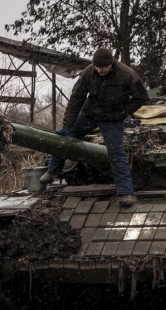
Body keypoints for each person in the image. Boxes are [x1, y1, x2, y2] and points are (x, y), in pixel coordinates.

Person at [41, 48, 148, 207]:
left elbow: (142, 97)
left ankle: (126, 192)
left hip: (112, 117)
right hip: (89, 113)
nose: (100, 70)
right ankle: (52, 170)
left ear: (111, 63)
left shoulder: (127, 74)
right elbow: (76, 98)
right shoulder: (88, 73)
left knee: (116, 152)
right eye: (97, 66)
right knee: (65, 137)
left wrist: (122, 112)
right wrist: (67, 125)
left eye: (103, 67)